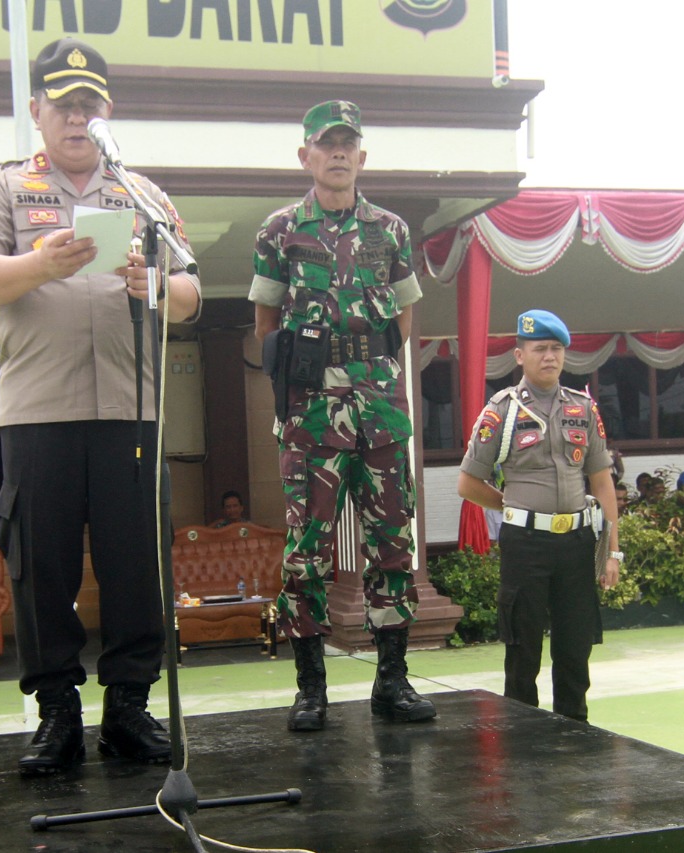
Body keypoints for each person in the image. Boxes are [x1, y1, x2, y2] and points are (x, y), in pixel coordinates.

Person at [0, 38, 200, 774]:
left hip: (131, 411)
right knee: (44, 567)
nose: (76, 118)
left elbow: (188, 296)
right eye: (63, 104)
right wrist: (39, 263)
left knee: (135, 565)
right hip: (38, 413)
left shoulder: (143, 195)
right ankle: (56, 711)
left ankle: (128, 707)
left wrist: (150, 285)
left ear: (107, 115)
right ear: (37, 111)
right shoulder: (1, 190)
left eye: (89, 105)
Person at [251, 99, 433, 732]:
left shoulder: (392, 229)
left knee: (393, 542)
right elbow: (266, 324)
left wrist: (368, 371)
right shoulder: (279, 231)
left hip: (379, 408)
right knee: (306, 551)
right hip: (310, 415)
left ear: (361, 156)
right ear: (305, 156)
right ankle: (311, 688)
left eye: (346, 143)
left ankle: (392, 681)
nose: (336, 153)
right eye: (324, 143)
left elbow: (405, 318)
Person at [458, 309, 621, 723]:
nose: (550, 357)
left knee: (575, 645)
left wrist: (613, 552)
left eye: (556, 349)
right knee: (523, 645)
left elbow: (602, 484)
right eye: (540, 349)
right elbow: (468, 483)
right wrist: (511, 507)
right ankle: (523, 732)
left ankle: (575, 728)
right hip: (526, 543)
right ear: (519, 355)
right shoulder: (502, 410)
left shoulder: (583, 408)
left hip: (577, 543)